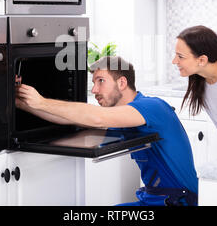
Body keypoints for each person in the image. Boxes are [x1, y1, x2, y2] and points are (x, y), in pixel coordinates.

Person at [15, 56, 198, 206]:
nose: (94, 89)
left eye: (100, 81)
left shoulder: (152, 106)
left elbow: (97, 117)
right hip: (155, 199)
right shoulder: (121, 117)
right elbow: (69, 118)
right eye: (94, 82)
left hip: (179, 202)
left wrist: (41, 102)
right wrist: (23, 103)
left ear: (122, 82)